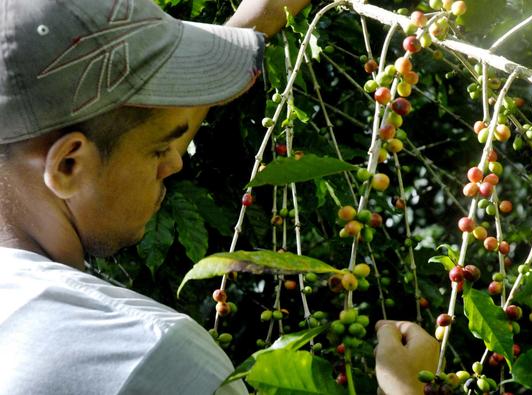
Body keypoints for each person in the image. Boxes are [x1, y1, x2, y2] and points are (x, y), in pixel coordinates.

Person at [0, 0, 438, 393]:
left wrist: (256, 20)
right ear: (68, 166)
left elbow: (138, 124)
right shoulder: (150, 357)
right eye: (159, 150)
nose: (175, 163)